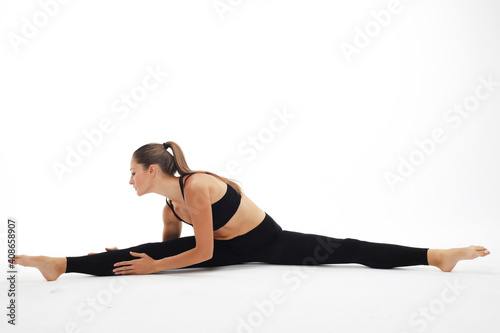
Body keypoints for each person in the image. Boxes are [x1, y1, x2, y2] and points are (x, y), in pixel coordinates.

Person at [13, 141, 490, 281]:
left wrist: (157, 265)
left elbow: (196, 250)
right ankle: (61, 265)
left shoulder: (196, 187)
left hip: (265, 240)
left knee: (347, 248)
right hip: (222, 248)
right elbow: (174, 246)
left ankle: (437, 255)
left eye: (133, 172)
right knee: (135, 255)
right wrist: (151, 261)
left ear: (153, 170)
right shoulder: (169, 200)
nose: (129, 180)